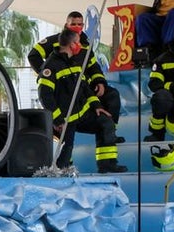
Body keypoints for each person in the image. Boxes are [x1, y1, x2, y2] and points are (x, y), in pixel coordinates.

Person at [38, 27, 127, 173]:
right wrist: (58, 120)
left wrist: (97, 105)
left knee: (106, 123)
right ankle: (61, 173)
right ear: (72, 44)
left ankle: (107, 165)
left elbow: (85, 88)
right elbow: (45, 96)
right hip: (66, 120)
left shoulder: (75, 62)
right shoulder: (50, 66)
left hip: (83, 113)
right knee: (66, 153)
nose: (81, 45)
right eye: (78, 42)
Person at [28, 10, 124, 142]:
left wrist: (99, 82)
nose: (77, 27)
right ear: (66, 25)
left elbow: (93, 66)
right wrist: (48, 75)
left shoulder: (85, 43)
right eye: (73, 24)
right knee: (67, 139)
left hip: (84, 85)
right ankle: (60, 139)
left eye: (80, 24)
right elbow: (33, 55)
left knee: (112, 95)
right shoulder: (55, 41)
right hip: (64, 87)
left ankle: (111, 131)